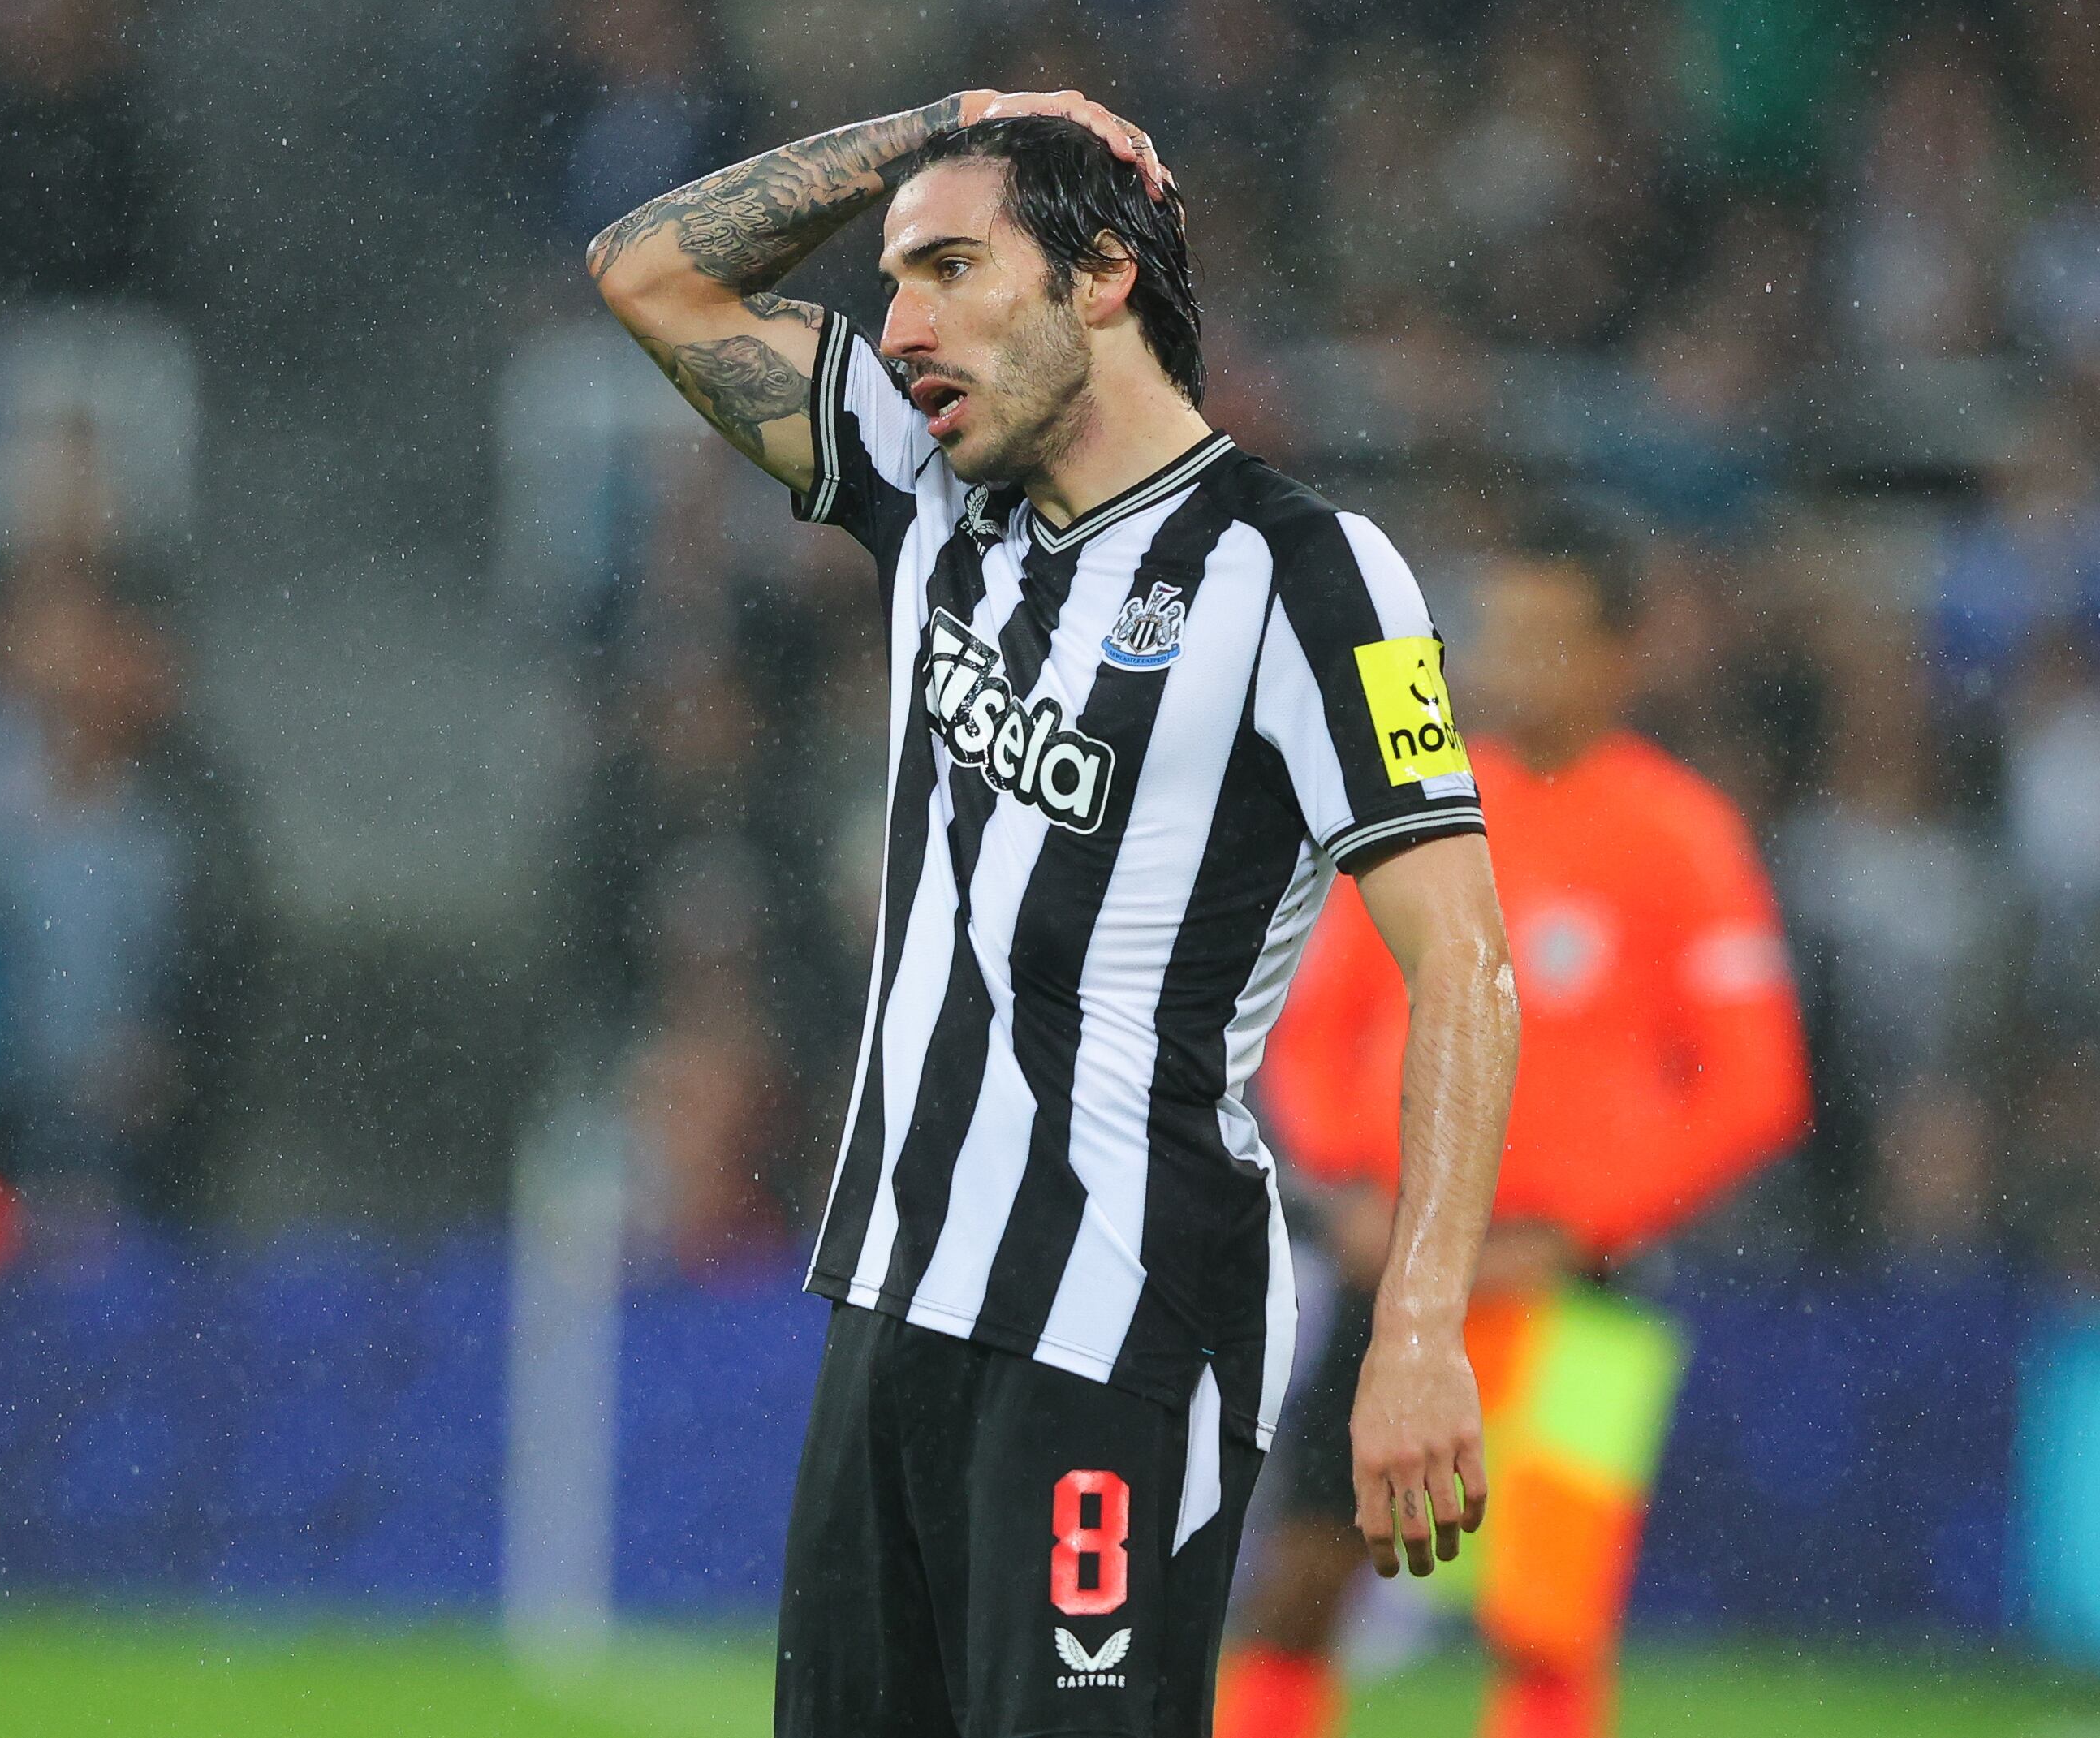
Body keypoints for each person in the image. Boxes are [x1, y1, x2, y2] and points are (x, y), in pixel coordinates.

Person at [589, 93, 1518, 1736]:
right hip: (890, 1307)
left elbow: (1466, 962)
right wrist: (946, 127)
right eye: (892, 279)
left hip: (1117, 1328)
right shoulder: (932, 497)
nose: (904, 323)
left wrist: (1421, 1326)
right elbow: (647, 271)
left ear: (1097, 276)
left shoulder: (1306, 577)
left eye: (951, 267)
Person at [1218, 504, 1811, 1738]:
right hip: (1403, 1270)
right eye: (1501, 634)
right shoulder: (1420, 800)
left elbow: (1756, 1086)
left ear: (1620, 656)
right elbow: (1315, 1032)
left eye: (1551, 638)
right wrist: (1352, 1191)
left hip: (1582, 1286)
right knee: (1300, 1588)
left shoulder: (1679, 836)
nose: (1515, 663)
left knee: (1547, 1628)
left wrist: (1586, 1225)